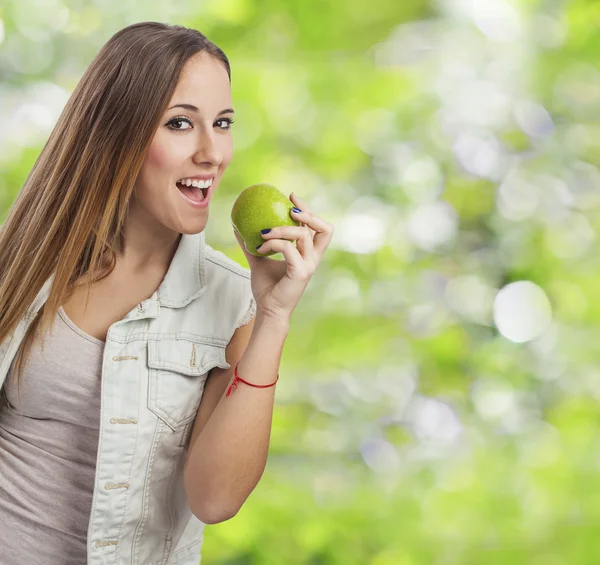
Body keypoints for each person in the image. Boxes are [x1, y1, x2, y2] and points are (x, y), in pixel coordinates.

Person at [0, 21, 334, 565]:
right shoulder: (25, 262)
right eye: (181, 123)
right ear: (117, 131)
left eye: (222, 124)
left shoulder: (233, 299)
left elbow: (216, 497)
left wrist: (273, 317)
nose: (212, 153)